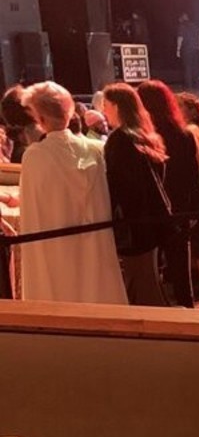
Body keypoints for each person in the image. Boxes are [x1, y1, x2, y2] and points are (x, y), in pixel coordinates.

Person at [19, 80, 127, 304]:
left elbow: (32, 215)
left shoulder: (35, 156)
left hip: (54, 250)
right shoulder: (96, 150)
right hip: (94, 247)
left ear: (41, 119)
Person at [101, 82, 172, 306]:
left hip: (133, 228)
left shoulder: (119, 140)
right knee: (148, 282)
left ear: (117, 106)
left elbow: (119, 187)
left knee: (141, 287)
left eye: (106, 105)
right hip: (149, 224)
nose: (103, 110)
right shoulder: (144, 136)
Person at [137, 79, 199, 307]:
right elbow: (193, 175)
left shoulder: (144, 137)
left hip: (153, 210)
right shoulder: (183, 134)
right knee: (180, 268)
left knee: (152, 269)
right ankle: (187, 308)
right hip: (179, 208)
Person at [176, 12, 199, 89]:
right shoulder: (194, 25)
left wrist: (178, 49)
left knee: (187, 67)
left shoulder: (182, 26)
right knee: (195, 66)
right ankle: (197, 84)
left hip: (187, 48)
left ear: (182, 18)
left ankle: (189, 85)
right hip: (195, 48)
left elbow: (180, 38)